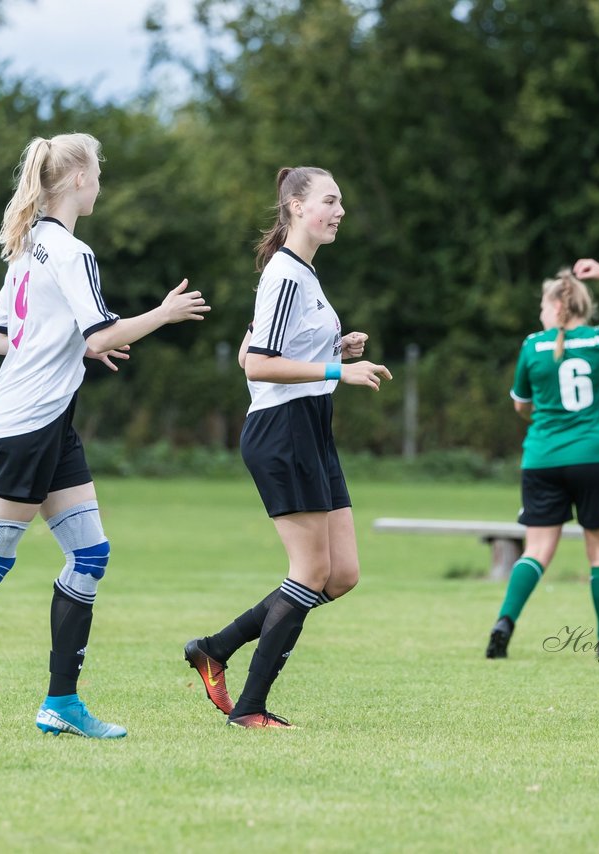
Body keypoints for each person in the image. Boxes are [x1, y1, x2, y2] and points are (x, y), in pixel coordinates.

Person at [0, 133, 208, 739]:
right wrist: (162, 313)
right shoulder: (69, 251)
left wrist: (72, 350)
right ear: (80, 180)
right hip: (27, 425)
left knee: (90, 555)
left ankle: (61, 703)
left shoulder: (27, 246)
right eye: (99, 172)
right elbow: (102, 333)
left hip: (49, 423)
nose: (101, 182)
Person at [183, 166, 390, 728]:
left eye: (340, 201)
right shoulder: (286, 275)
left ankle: (216, 647)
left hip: (310, 427)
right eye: (329, 200)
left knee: (340, 574)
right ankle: (249, 708)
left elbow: (274, 350)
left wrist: (333, 348)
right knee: (309, 571)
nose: (339, 210)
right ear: (296, 206)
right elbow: (254, 361)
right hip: (283, 431)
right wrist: (335, 369)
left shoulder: (304, 273)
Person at [486, 259, 599, 661]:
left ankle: (505, 622)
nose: (540, 314)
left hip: (543, 458)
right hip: (595, 456)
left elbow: (521, 405)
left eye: (543, 307)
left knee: (537, 550)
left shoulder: (532, 346)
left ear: (556, 308)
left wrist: (544, 412)